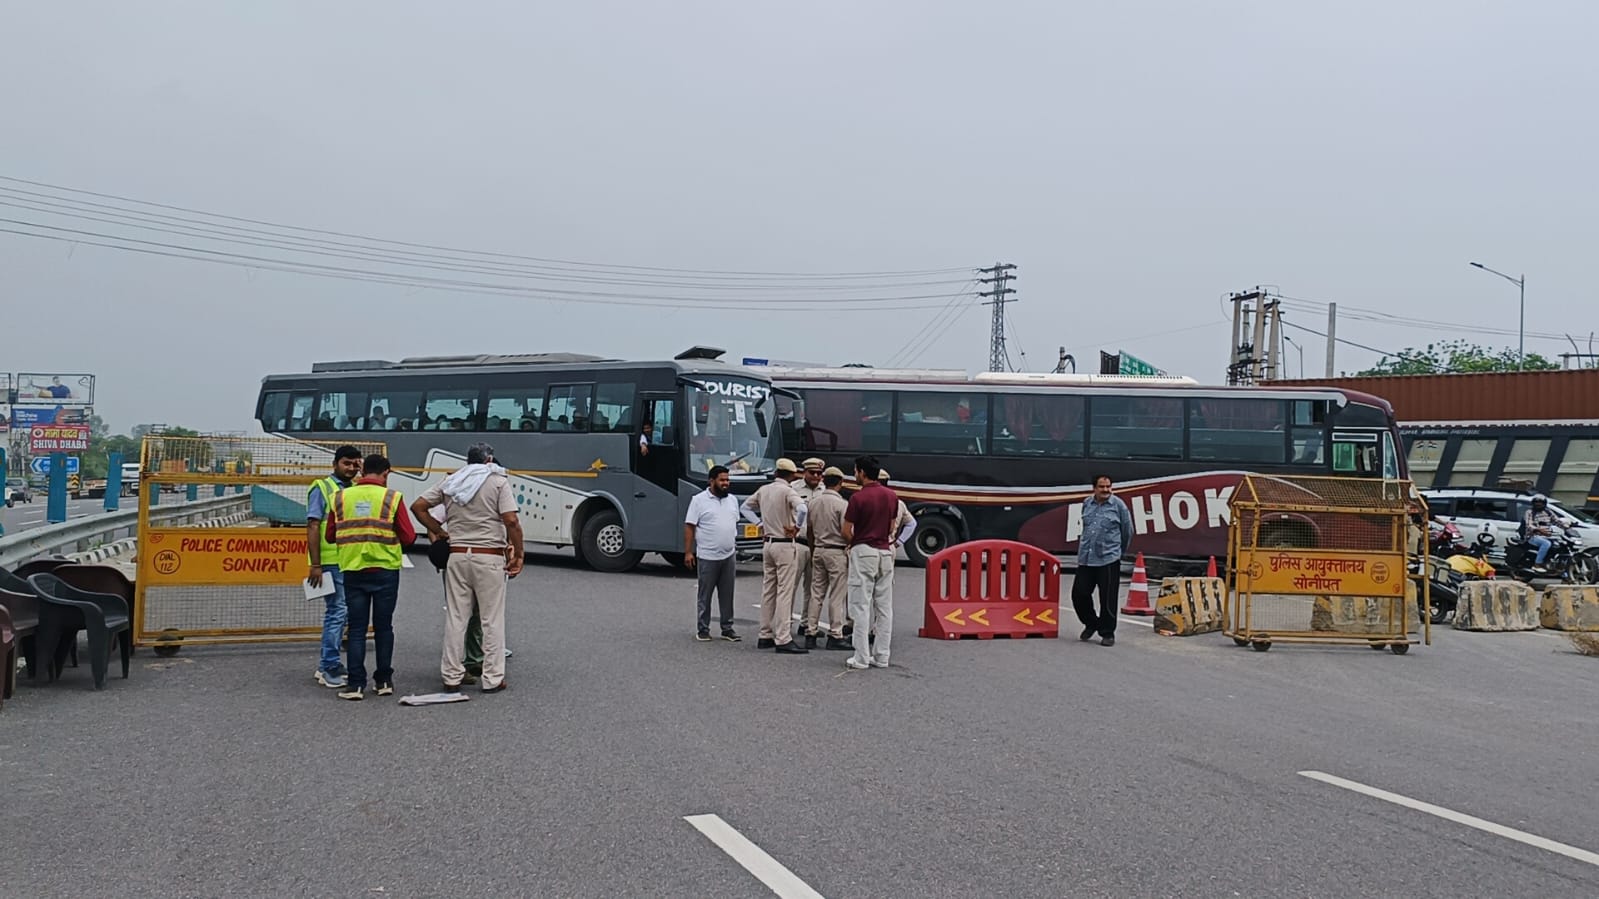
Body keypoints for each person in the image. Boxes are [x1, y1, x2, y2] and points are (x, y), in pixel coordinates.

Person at [412, 443, 523, 694]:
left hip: (457, 556)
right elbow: (511, 520)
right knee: (491, 619)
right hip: (489, 557)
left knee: (456, 617)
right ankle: (493, 678)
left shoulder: (452, 481)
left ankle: (451, 676)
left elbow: (418, 507)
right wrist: (519, 552)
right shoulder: (497, 481)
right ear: (490, 459)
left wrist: (440, 531)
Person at [325, 454, 416, 700]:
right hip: (385, 571)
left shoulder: (340, 497)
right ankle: (384, 680)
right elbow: (408, 537)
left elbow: (330, 536)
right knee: (384, 627)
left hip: (353, 571)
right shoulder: (392, 497)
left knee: (356, 629)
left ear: (362, 471)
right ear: (386, 473)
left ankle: (355, 685)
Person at [305, 445, 363, 689]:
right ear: (335, 464)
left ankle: (332, 664)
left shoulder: (354, 490)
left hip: (349, 561)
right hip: (329, 562)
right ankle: (327, 666)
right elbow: (313, 526)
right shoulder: (322, 488)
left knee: (345, 612)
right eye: (346, 463)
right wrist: (316, 564)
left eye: (355, 464)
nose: (351, 468)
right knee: (336, 612)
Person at [743, 459, 809, 654]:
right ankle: (783, 637)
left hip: (768, 543)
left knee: (768, 590)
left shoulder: (764, 490)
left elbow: (745, 508)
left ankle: (765, 634)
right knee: (784, 592)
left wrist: (759, 524)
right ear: (791, 475)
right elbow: (803, 508)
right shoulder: (788, 491)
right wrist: (797, 527)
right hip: (785, 544)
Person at [843, 455, 899, 670]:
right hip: (885, 552)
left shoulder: (858, 498)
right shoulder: (891, 496)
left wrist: (854, 542)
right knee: (884, 607)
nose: (855, 474)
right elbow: (891, 527)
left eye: (855, 471)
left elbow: (846, 531)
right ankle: (882, 656)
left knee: (860, 605)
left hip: (863, 550)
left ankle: (860, 657)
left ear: (862, 472)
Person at [1072, 475, 1133, 647]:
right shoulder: (1087, 504)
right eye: (1102, 487)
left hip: (1108, 558)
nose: (1106, 490)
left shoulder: (1118, 506)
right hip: (1086, 558)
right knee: (1079, 594)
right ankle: (1091, 623)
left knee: (1107, 599)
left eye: (1108, 486)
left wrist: (1118, 552)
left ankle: (1107, 633)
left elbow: (1127, 531)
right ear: (1094, 488)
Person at [685, 465, 742, 642]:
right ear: (712, 481)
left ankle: (727, 628)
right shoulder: (699, 500)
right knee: (705, 594)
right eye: (722, 480)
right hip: (707, 556)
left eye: (727, 480)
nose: (726, 483)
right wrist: (688, 552)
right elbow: (689, 526)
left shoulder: (732, 500)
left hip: (729, 555)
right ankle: (703, 628)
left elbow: (733, 522)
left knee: (727, 594)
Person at [804, 466, 853, 650]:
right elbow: (845, 531)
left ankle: (811, 632)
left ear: (824, 480)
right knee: (837, 595)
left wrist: (813, 547)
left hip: (818, 548)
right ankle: (835, 633)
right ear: (840, 483)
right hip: (836, 550)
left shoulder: (814, 502)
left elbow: (809, 530)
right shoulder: (842, 504)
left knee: (816, 594)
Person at [1522, 494, 1570, 573]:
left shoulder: (1548, 511)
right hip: (1533, 536)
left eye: (1541, 503)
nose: (1538, 505)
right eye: (1536, 503)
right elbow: (1529, 525)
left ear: (1544, 504)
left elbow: (1557, 521)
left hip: (1548, 535)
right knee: (1546, 544)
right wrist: (1538, 530)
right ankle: (1537, 564)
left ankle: (1558, 566)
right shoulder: (1529, 512)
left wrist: (1567, 526)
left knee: (1561, 545)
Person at [877, 469, 919, 551]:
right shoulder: (899, 503)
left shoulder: (867, 500)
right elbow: (912, 524)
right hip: (889, 546)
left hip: (870, 547)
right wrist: (899, 542)